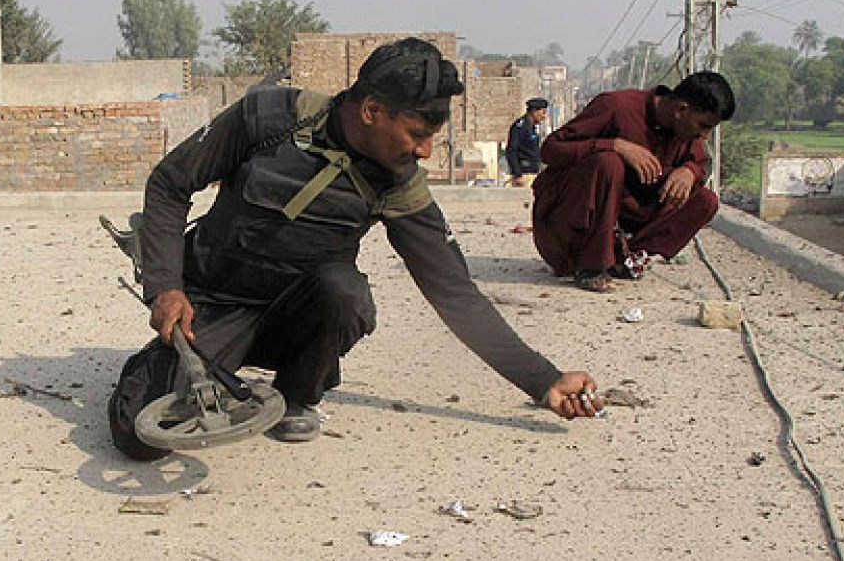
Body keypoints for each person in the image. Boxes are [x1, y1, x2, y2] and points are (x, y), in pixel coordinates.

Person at [107, 38, 603, 461]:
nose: (426, 150)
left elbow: (455, 294)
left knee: (342, 290)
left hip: (299, 322)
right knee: (138, 438)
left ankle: (298, 394)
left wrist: (543, 380)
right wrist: (166, 287)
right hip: (215, 305)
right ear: (370, 112)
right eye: (418, 133)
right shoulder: (269, 119)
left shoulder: (397, 183)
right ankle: (172, 365)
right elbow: (171, 184)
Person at [530, 72, 735, 293]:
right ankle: (591, 265)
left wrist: (689, 171)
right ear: (681, 110)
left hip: (622, 229)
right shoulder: (616, 106)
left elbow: (701, 163)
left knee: (705, 200)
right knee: (608, 163)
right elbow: (550, 150)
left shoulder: (684, 135)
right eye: (702, 125)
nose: (703, 136)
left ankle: (625, 259)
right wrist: (615, 145)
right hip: (565, 231)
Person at [505, 97, 550, 186]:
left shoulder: (532, 127)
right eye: (543, 112)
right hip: (524, 174)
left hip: (533, 172)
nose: (544, 116)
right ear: (534, 111)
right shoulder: (520, 126)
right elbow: (511, 150)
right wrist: (517, 174)